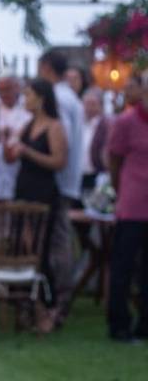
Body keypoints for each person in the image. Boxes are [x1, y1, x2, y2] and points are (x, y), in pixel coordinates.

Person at [7, 78, 68, 333]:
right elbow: (11, 157)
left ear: (42, 98)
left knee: (40, 252)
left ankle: (48, 308)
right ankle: (27, 307)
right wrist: (9, 149)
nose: (25, 99)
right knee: (21, 248)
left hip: (43, 194)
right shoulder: (26, 125)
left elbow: (59, 161)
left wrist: (27, 152)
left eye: (29, 94)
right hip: (23, 192)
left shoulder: (54, 127)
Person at [37, 49, 85, 323]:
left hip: (58, 181)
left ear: (45, 67)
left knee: (58, 243)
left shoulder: (60, 97)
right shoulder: (73, 98)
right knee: (60, 240)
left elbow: (60, 142)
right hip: (68, 180)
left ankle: (60, 301)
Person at [106, 73, 148, 342]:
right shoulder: (126, 122)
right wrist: (121, 191)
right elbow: (113, 160)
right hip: (132, 206)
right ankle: (119, 325)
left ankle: (145, 325)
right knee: (123, 268)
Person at [0, 75, 32, 199]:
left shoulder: (27, 106)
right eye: (0, 90)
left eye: (7, 89)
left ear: (17, 88)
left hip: (20, 165)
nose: (4, 94)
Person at [80, 86, 110, 193]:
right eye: (86, 104)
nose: (89, 108)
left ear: (101, 106)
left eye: (93, 104)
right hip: (79, 175)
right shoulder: (79, 123)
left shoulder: (106, 125)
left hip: (97, 175)